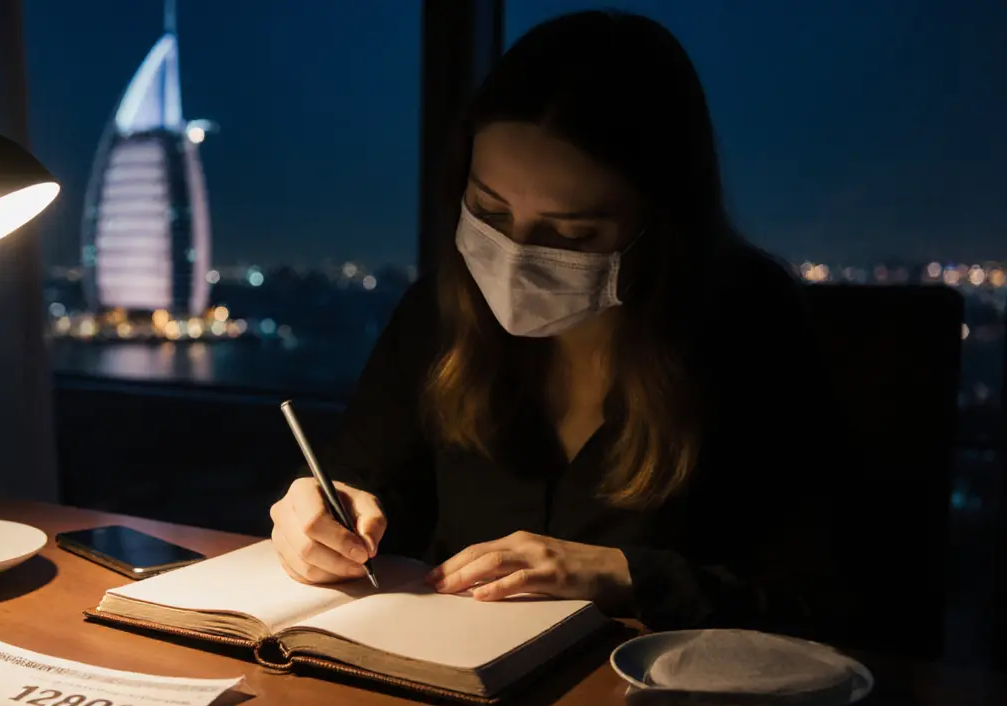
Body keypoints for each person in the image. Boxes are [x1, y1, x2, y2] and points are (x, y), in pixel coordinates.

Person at [269, 10, 856, 641]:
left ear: (660, 228)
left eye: (570, 234)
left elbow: (823, 604)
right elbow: (364, 493)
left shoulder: (748, 331)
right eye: (489, 211)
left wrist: (625, 576)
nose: (515, 255)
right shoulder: (439, 315)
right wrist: (320, 522)